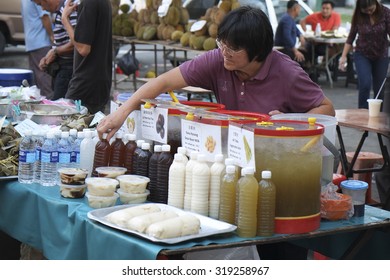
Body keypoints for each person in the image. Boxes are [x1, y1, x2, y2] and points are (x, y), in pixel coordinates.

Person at [97, 6, 335, 143]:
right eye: (222, 43)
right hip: (232, 149)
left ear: (258, 52)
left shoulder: (288, 74)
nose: (225, 53)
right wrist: (122, 111)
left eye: (233, 48)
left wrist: (289, 121)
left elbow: (327, 109)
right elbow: (163, 81)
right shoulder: (218, 60)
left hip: (275, 153)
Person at [61, 0, 112, 114]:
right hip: (99, 81)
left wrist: (65, 19)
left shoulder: (89, 3)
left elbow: (83, 49)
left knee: (72, 126)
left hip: (85, 83)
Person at [339, 0, 390, 109]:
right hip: (362, 54)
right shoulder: (358, 15)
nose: (369, 13)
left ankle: (378, 116)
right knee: (365, 84)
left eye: (371, 10)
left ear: (376, 3)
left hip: (381, 55)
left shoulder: (386, 12)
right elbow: (351, 37)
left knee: (379, 89)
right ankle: (362, 112)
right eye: (366, 11)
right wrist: (343, 57)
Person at [38, 0, 77, 101]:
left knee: (60, 108)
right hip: (63, 68)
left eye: (40, 4)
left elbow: (77, 42)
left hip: (69, 69)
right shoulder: (61, 10)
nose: (42, 8)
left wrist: (55, 52)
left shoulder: (68, 7)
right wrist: (49, 54)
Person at [21, 0, 54, 100]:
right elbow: (44, 17)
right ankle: (50, 104)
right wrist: (52, 36)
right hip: (41, 41)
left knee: (38, 78)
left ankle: (44, 103)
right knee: (45, 77)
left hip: (31, 41)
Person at [274, 0, 307, 65]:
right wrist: (295, 51)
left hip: (287, 49)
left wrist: (300, 35)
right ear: (295, 9)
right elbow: (287, 36)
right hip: (283, 50)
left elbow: (296, 29)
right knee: (303, 59)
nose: (299, 11)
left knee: (306, 53)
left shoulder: (290, 18)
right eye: (299, 9)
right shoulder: (287, 19)